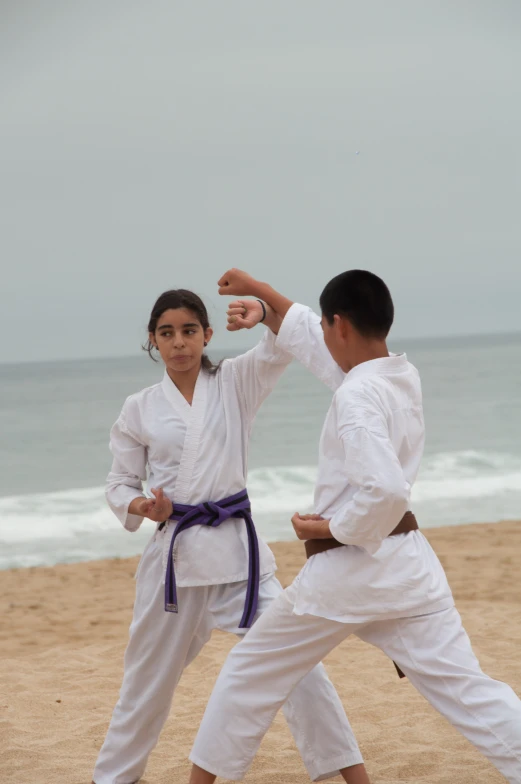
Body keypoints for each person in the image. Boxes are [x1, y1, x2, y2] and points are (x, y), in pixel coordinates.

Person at [186, 269, 521, 784]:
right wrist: (264, 295)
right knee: (469, 690)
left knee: (248, 674)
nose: (320, 335)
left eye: (324, 325)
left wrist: (328, 530)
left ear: (339, 324)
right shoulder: (397, 374)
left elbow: (386, 490)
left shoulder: (357, 396)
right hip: (409, 572)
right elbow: (325, 351)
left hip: (348, 573)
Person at [92, 288, 371, 784]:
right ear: (153, 342)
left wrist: (262, 312)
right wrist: (143, 506)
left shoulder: (236, 380)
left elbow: (282, 344)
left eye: (189, 331)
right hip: (174, 563)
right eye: (167, 333)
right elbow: (119, 483)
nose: (179, 343)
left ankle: (347, 777)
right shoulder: (139, 408)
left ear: (207, 335)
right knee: (147, 685)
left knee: (300, 667)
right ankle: (113, 778)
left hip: (240, 557)